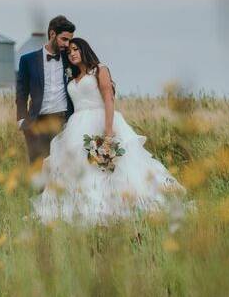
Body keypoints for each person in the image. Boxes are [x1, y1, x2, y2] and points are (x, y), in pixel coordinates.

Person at [31, 37, 188, 225]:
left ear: (84, 50)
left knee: (110, 169)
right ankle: (81, 209)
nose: (72, 54)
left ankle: (118, 207)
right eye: (69, 52)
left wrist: (107, 132)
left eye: (75, 49)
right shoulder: (72, 77)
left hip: (100, 121)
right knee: (78, 168)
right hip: (76, 126)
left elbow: (108, 100)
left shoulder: (100, 70)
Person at [16, 15, 76, 165]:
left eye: (70, 40)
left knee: (62, 169)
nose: (67, 44)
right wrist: (21, 120)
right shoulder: (27, 60)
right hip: (36, 122)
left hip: (63, 122)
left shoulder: (71, 59)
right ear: (52, 34)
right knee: (38, 170)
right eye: (64, 39)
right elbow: (21, 92)